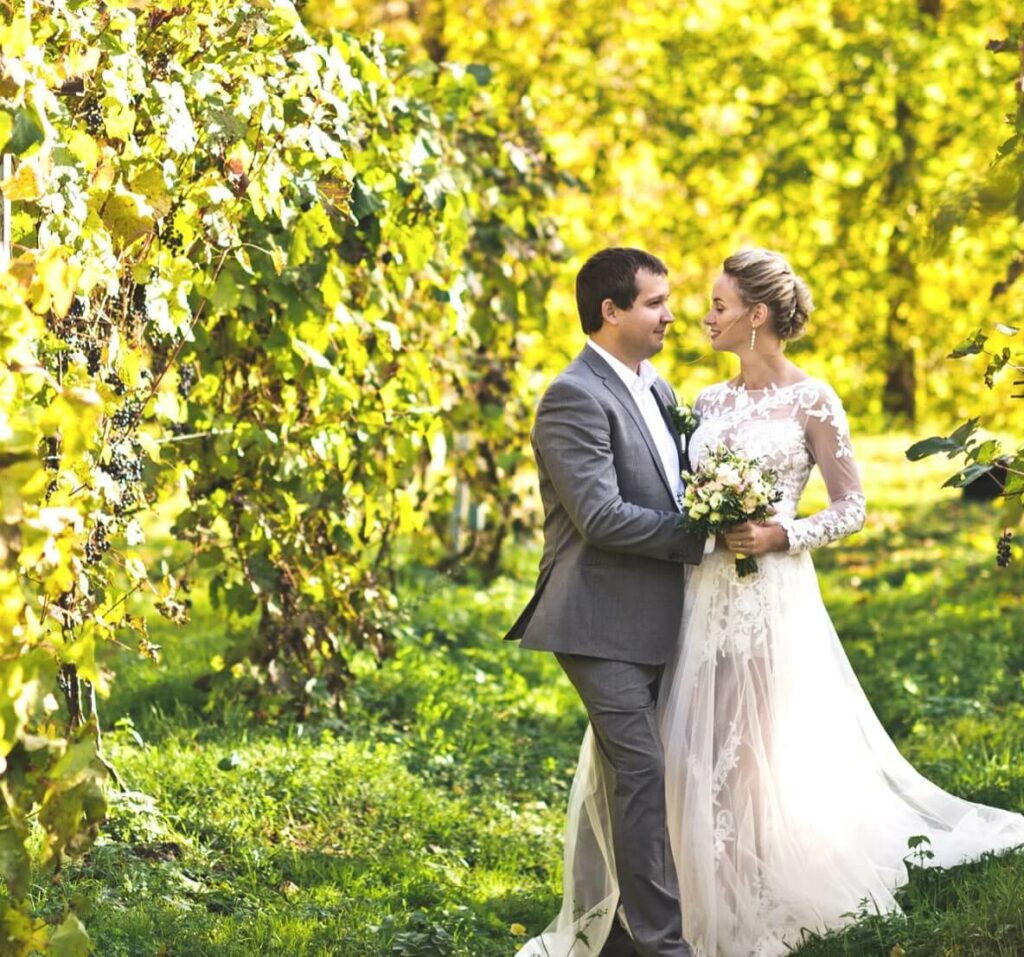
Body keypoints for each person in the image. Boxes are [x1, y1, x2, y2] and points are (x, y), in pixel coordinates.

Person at [517, 247, 1024, 957]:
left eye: (715, 305)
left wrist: (779, 531)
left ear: (756, 316)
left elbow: (851, 507)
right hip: (696, 595)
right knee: (688, 747)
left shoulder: (808, 398)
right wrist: (708, 533)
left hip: (770, 595)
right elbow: (643, 504)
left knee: (756, 746)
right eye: (666, 302)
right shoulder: (702, 401)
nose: (696, 315)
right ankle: (676, 906)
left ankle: (747, 884)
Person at [505, 247, 712, 957]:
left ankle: (617, 922)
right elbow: (601, 515)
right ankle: (662, 945)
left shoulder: (656, 386)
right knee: (642, 771)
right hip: (596, 619)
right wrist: (703, 534)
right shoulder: (572, 396)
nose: (671, 313)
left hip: (664, 612)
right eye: (656, 302)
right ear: (611, 311)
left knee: (641, 773)